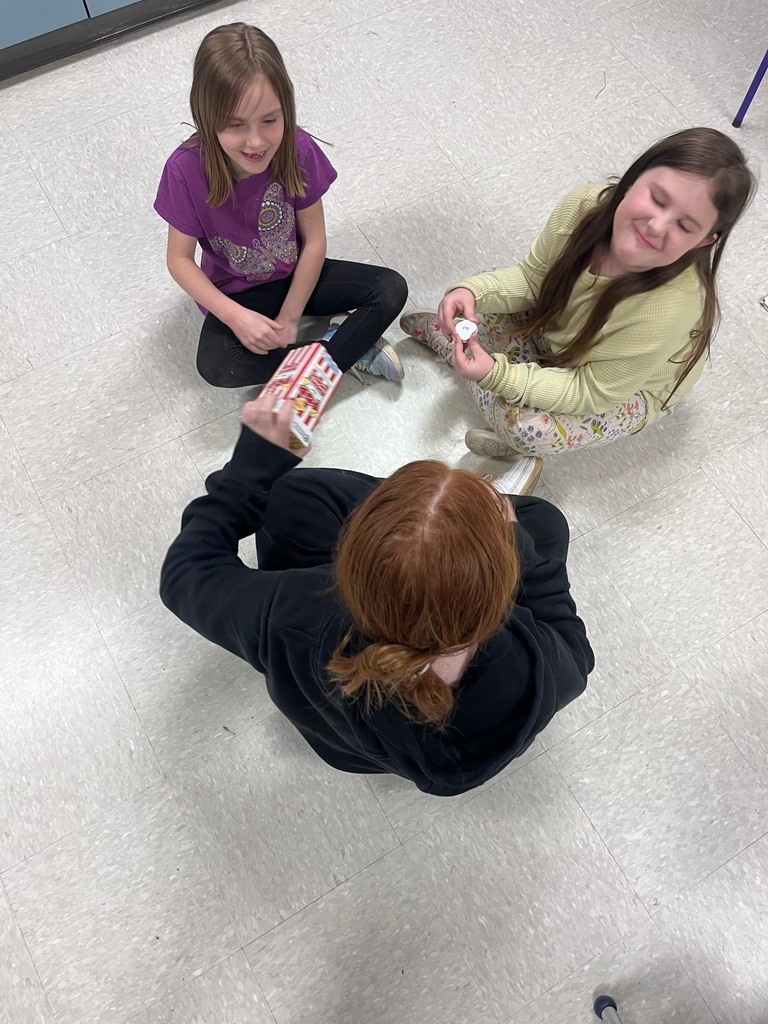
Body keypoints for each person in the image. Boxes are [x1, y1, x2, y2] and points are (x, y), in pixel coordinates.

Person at [160, 391, 594, 797]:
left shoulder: (295, 612)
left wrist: (250, 470)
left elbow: (184, 577)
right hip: (400, 733)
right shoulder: (531, 667)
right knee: (545, 522)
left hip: (342, 730)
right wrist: (512, 544)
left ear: (347, 565)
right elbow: (577, 653)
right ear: (502, 594)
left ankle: (427, 521)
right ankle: (453, 524)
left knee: (290, 495)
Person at [400, 128, 755, 493]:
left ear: (705, 241)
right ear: (633, 179)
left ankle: (501, 423)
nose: (657, 226)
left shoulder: (671, 307)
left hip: (619, 389)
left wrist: (495, 375)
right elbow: (532, 279)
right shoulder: (585, 205)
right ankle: (479, 371)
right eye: (658, 199)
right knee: (482, 295)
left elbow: (592, 391)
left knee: (527, 428)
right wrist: (469, 291)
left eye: (685, 226)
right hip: (564, 335)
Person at [154, 22, 407, 388]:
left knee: (391, 288)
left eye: (270, 120)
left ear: (286, 108)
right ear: (207, 119)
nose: (256, 141)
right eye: (235, 125)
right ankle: (343, 348)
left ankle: (331, 352)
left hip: (297, 275)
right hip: (237, 291)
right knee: (218, 366)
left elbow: (315, 241)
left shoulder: (298, 149)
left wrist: (290, 317)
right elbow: (179, 260)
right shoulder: (185, 169)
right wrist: (237, 317)